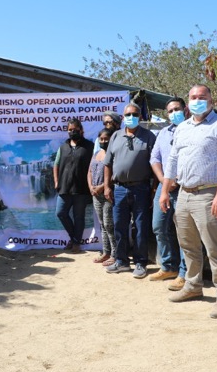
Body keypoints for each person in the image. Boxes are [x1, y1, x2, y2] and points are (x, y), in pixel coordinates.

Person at [160, 84, 217, 318]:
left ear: (211, 100)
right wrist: (165, 191)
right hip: (183, 194)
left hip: (209, 194)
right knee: (188, 245)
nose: (197, 100)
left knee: (215, 248)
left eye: (202, 97)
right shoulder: (182, 128)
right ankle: (193, 286)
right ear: (187, 101)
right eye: (193, 97)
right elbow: (172, 161)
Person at [103, 102, 156, 278]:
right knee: (119, 226)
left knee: (140, 227)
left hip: (141, 188)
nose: (131, 118)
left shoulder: (149, 136)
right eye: (127, 115)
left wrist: (154, 187)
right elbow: (107, 163)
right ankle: (122, 261)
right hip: (119, 188)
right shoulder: (116, 136)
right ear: (123, 117)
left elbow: (156, 164)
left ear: (140, 117)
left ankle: (141, 263)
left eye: (134, 114)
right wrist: (106, 186)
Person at [149, 97, 188, 286]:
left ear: (185, 110)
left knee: (185, 232)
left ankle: (185, 272)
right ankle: (168, 266)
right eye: (170, 111)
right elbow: (154, 158)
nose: (174, 113)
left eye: (177, 109)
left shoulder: (193, 130)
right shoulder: (163, 133)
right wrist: (164, 180)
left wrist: (176, 181)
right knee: (159, 226)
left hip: (185, 189)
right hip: (164, 188)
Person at [53, 118, 95, 253]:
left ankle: (76, 243)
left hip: (82, 189)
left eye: (75, 129)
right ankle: (74, 238)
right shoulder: (62, 147)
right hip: (64, 188)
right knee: (60, 213)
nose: (72, 132)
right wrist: (56, 181)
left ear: (81, 130)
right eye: (70, 130)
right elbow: (56, 165)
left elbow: (95, 165)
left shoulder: (90, 146)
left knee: (79, 217)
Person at [88, 128, 116, 264]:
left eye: (106, 139)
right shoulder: (96, 153)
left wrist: (101, 187)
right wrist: (91, 187)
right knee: (102, 225)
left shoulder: (113, 154)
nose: (104, 141)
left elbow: (114, 174)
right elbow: (89, 171)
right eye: (102, 139)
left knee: (109, 224)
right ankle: (106, 252)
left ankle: (115, 254)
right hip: (95, 194)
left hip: (107, 194)